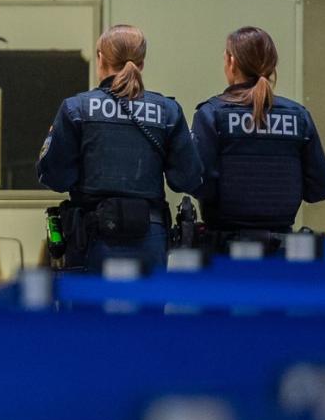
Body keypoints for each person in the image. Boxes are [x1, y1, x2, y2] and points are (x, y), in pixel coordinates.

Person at [37, 25, 203, 272]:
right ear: (142, 63)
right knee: (147, 311)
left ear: (101, 58)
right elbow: (187, 179)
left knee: (91, 310)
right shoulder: (168, 111)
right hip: (151, 238)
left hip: (91, 240)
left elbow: (55, 177)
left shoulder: (76, 108)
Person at [191, 26, 325, 241]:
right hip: (281, 249)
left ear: (231, 62)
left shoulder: (212, 114)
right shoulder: (298, 116)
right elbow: (322, 185)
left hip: (224, 250)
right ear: (272, 66)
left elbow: (199, 182)